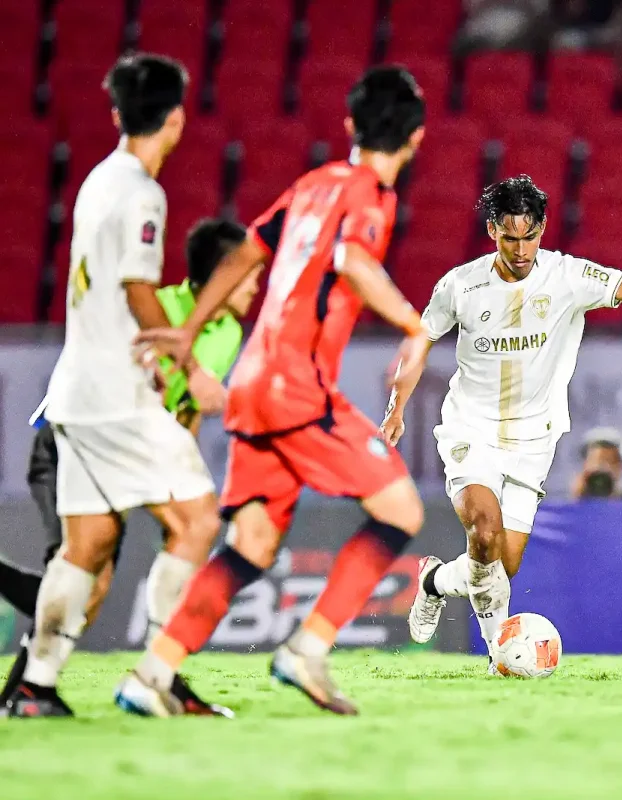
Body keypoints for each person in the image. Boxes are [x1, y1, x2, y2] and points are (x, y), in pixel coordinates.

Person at [115, 65, 429, 718]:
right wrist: (411, 322)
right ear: (417, 138)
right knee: (402, 510)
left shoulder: (312, 183)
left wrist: (189, 329)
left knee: (252, 546)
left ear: (349, 126)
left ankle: (151, 675)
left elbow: (244, 254)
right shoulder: (372, 194)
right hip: (297, 389)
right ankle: (307, 651)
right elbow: (353, 261)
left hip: (250, 384)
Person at [379, 175, 622, 667]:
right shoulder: (461, 285)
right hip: (471, 428)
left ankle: (434, 580)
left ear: (543, 229)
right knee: (483, 532)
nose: (521, 249)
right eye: (510, 237)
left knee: (499, 566)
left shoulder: (568, 277)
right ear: (492, 231)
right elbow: (418, 341)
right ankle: (498, 660)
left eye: (529, 236)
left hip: (534, 439)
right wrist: (397, 405)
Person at [3, 53, 234, 718]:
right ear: (178, 117)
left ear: (115, 114)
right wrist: (186, 364)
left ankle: (34, 688)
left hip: (74, 390)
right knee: (196, 521)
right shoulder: (141, 192)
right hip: (114, 393)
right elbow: (137, 288)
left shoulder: (99, 181)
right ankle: (158, 676)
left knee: (87, 547)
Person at [0, 218, 259, 713]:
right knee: (85, 576)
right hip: (68, 442)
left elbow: (182, 414)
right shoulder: (159, 310)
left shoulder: (226, 332)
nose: (254, 287)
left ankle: (44, 691)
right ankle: (29, 693)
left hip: (136, 453)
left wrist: (179, 474)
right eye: (246, 275)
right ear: (221, 273)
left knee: (110, 567)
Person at [570, 426, 622, 500]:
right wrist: (577, 497)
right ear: (585, 464)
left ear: (620, 467)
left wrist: (616, 498)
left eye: (608, 461)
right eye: (595, 461)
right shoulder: (568, 503)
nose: (600, 468)